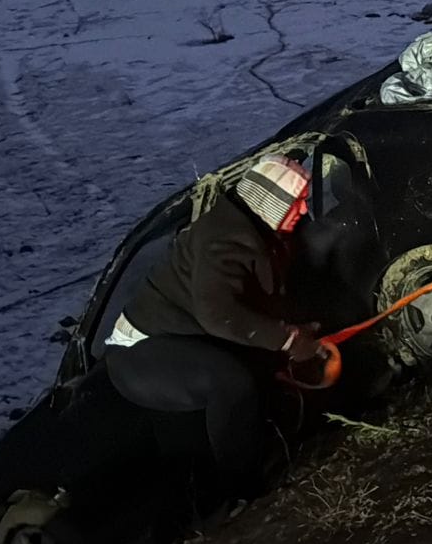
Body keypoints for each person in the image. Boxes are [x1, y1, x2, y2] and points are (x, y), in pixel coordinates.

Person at [102, 155, 326, 498]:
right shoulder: (223, 239)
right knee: (232, 382)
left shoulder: (262, 231)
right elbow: (218, 314)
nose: (302, 210)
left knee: (256, 368)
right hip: (140, 352)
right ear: (271, 203)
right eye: (295, 202)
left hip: (185, 338)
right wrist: (287, 339)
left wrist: (296, 331)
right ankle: (243, 492)